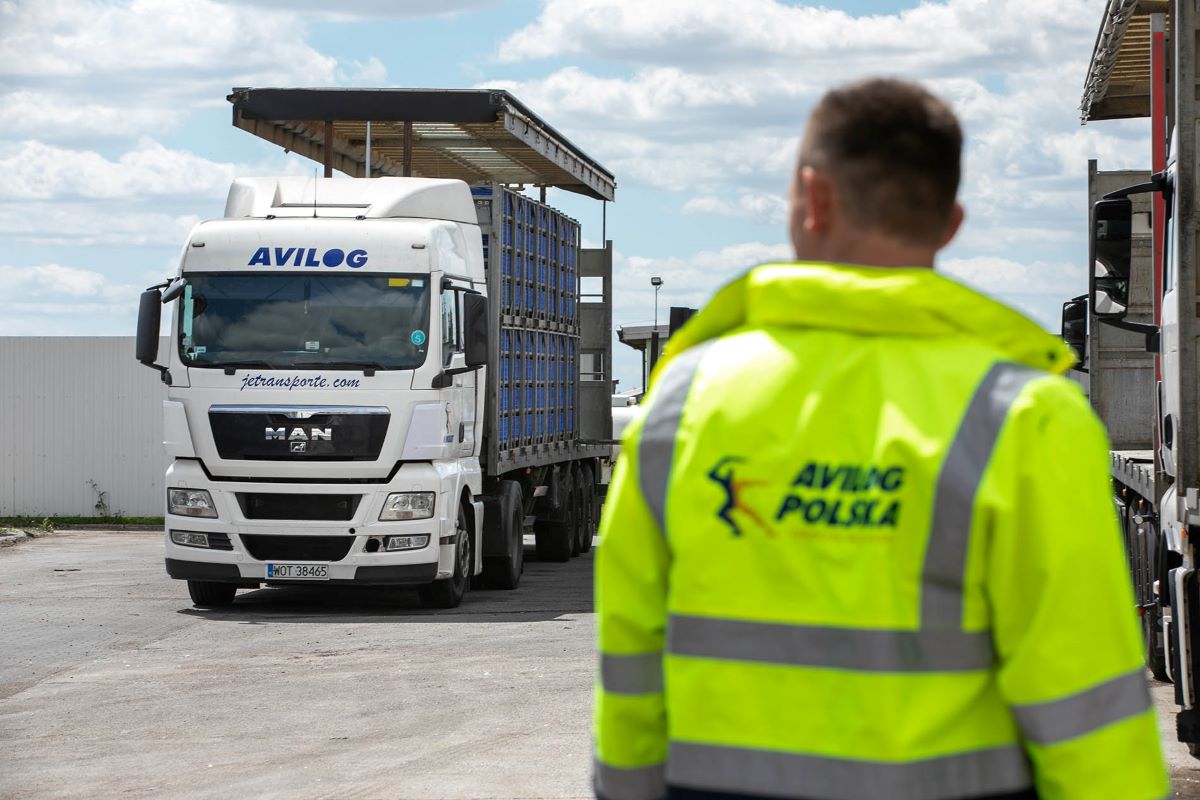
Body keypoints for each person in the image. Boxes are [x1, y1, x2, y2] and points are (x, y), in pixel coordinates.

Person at [593, 78, 1168, 800]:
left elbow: (630, 665)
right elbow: (1088, 714)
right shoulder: (1026, 418)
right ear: (950, 223)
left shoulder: (683, 407)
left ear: (813, 196)